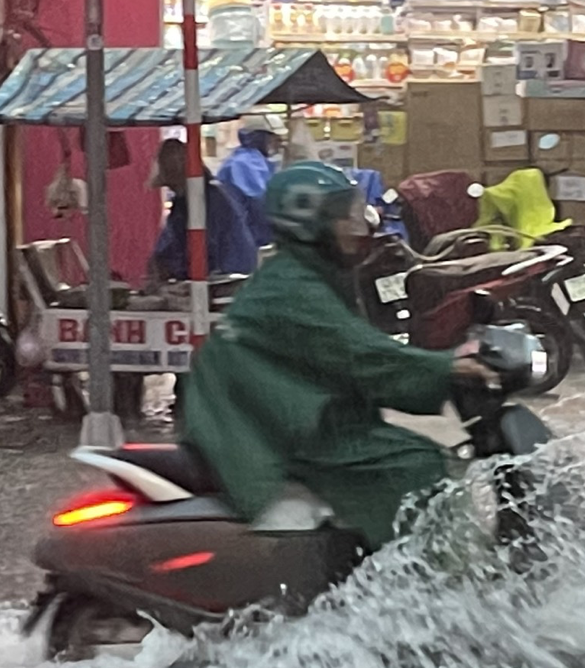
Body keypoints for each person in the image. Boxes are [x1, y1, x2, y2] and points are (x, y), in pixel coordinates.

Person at [181, 162, 495, 550]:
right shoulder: (293, 287)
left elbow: (355, 351)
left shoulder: (307, 275)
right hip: (262, 438)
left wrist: (441, 362)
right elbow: (362, 358)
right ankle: (421, 577)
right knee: (415, 462)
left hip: (282, 421)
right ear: (310, 226)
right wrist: (449, 366)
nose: (355, 227)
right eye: (343, 217)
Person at [147, 136, 257, 282]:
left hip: (226, 274)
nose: (171, 188)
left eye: (171, 183)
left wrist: (172, 268)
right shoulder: (188, 201)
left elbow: (203, 249)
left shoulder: (204, 200)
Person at [217, 113, 283, 250]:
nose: (279, 145)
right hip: (245, 241)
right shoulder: (245, 163)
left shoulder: (253, 160)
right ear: (260, 138)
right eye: (274, 139)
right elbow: (260, 202)